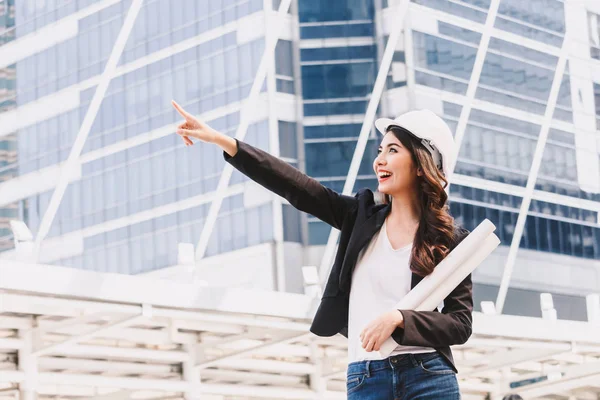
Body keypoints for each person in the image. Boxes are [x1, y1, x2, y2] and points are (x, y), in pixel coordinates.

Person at [172, 100, 473, 399]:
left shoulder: (450, 240)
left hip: (429, 375)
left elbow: (459, 323)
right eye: (380, 150)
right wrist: (222, 140)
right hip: (367, 377)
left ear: (422, 165)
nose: (379, 160)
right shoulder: (358, 217)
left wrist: (399, 318)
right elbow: (296, 186)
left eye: (393, 150)